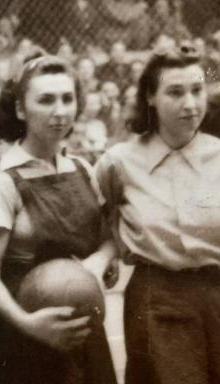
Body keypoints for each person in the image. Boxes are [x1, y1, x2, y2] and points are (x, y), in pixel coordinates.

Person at [0, 55, 118, 384]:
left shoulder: (83, 169)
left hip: (84, 331)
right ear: (21, 110)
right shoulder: (2, 182)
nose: (60, 111)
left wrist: (98, 262)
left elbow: (109, 236)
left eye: (67, 99)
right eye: (46, 100)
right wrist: (28, 324)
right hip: (26, 336)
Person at [96, 43, 220, 384]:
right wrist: (107, 255)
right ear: (150, 96)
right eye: (175, 92)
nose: (191, 104)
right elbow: (98, 222)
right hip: (157, 303)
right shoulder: (118, 162)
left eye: (197, 90)